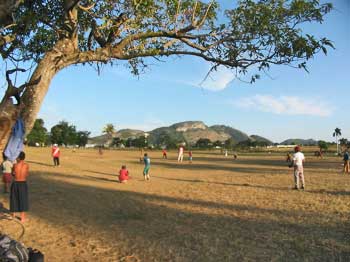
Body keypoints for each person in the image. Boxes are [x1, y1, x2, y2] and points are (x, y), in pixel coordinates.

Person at [10, 151, 29, 223]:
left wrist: (14, 173)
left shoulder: (15, 165)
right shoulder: (26, 165)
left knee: (14, 198)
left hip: (15, 183)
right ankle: (23, 218)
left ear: (18, 158)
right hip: (23, 183)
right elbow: (26, 174)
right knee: (23, 199)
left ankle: (13, 215)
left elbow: (13, 174)